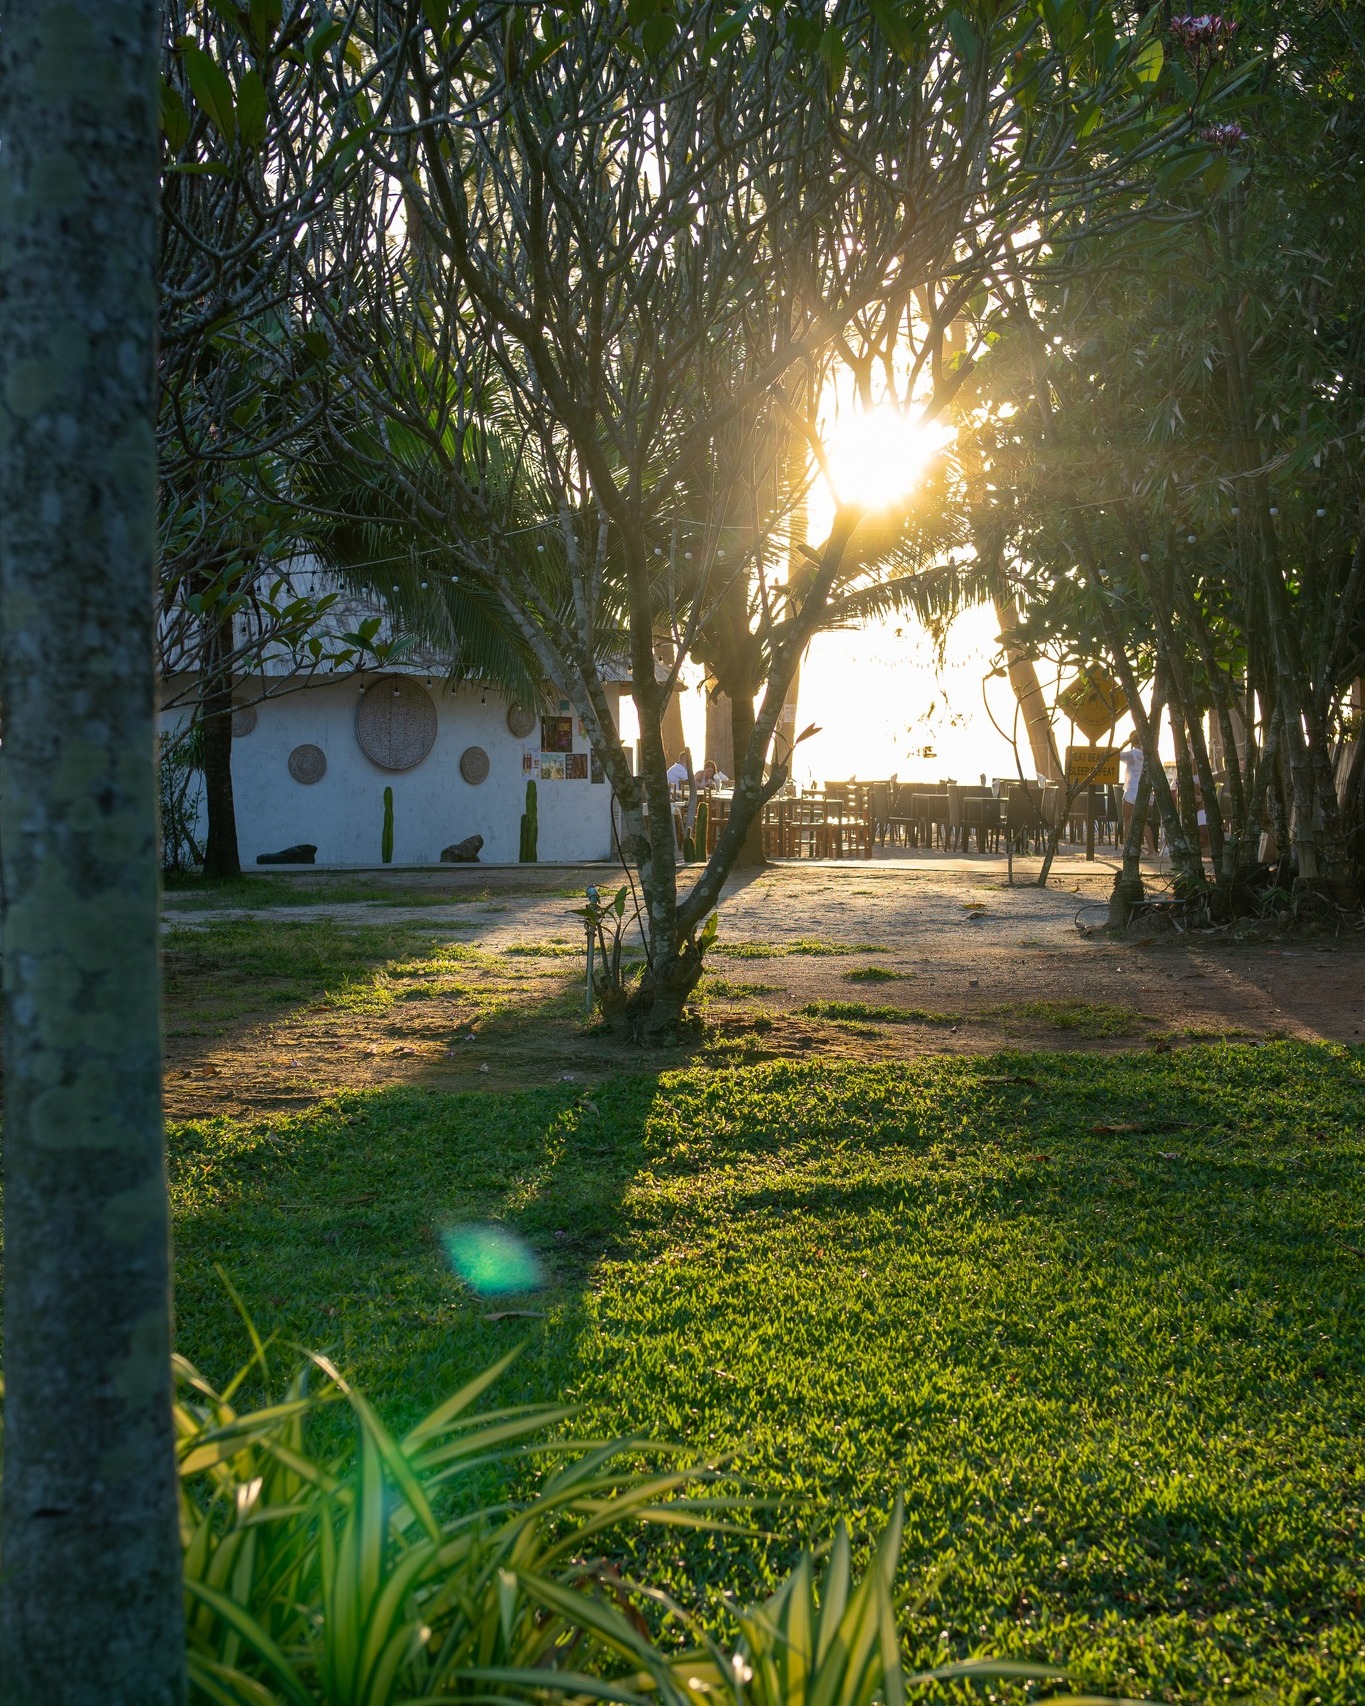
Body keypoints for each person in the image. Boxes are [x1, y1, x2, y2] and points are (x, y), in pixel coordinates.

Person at [1120, 743, 1157, 852]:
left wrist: (1123, 745)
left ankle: (1128, 847)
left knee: (1128, 820)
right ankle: (1152, 849)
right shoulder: (1150, 755)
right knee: (1143, 821)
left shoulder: (1133, 754)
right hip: (1146, 792)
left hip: (1132, 791)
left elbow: (1117, 755)